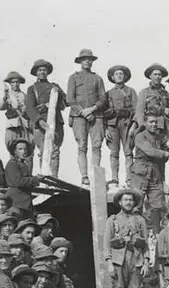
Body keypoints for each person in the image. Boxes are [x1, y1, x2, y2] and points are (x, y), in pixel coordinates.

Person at [132, 112, 169, 233]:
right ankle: (135, 232)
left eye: (156, 122)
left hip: (156, 173)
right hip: (141, 172)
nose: (154, 124)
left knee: (157, 205)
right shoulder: (140, 136)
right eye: (151, 122)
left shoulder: (160, 137)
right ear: (145, 123)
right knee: (136, 203)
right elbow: (150, 151)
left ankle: (156, 233)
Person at [66, 49, 106, 186]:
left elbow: (103, 98)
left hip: (96, 115)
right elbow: (70, 99)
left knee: (97, 145)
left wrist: (93, 109)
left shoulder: (98, 78)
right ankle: (84, 176)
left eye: (90, 59)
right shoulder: (74, 78)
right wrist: (83, 112)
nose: (87, 61)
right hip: (78, 116)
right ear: (80, 62)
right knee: (82, 146)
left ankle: (95, 175)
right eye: (84, 59)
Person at [26, 58, 66, 177]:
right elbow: (29, 108)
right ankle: (44, 177)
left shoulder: (55, 86)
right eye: (40, 70)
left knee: (55, 151)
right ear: (36, 73)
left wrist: (58, 95)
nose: (42, 72)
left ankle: (54, 178)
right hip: (41, 124)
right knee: (44, 151)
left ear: (48, 72)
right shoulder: (32, 89)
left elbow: (65, 101)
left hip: (56, 122)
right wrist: (39, 120)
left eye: (44, 70)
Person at [104, 189, 148, 288]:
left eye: (131, 200)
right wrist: (109, 263)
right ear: (120, 202)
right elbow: (106, 243)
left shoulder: (140, 220)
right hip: (118, 261)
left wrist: (146, 263)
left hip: (136, 259)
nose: (128, 202)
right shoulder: (112, 220)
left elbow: (145, 244)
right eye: (125, 200)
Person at [104, 64, 138, 188]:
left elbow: (137, 110)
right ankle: (114, 179)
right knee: (114, 153)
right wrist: (105, 129)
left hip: (127, 124)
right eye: (116, 74)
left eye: (121, 74)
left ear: (125, 77)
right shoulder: (108, 93)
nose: (119, 76)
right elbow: (103, 112)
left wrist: (134, 126)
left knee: (128, 152)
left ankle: (129, 179)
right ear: (112, 77)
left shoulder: (131, 91)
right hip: (112, 125)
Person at [0, 71, 32, 160]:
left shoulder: (24, 95)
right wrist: (5, 97)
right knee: (12, 148)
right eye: (13, 82)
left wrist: (25, 109)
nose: (15, 84)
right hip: (12, 125)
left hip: (24, 126)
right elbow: (0, 107)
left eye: (17, 82)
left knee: (26, 149)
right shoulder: (8, 96)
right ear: (10, 84)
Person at [5, 139, 40, 219]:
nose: (24, 151)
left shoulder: (23, 164)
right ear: (14, 151)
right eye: (20, 149)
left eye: (25, 149)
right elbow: (18, 181)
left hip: (25, 202)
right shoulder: (12, 164)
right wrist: (35, 179)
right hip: (16, 201)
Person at [135, 63, 169, 132]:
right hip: (151, 126)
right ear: (150, 76)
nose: (157, 77)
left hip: (165, 127)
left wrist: (168, 113)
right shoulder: (144, 92)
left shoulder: (165, 93)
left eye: (159, 74)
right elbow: (139, 113)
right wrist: (143, 126)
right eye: (155, 74)